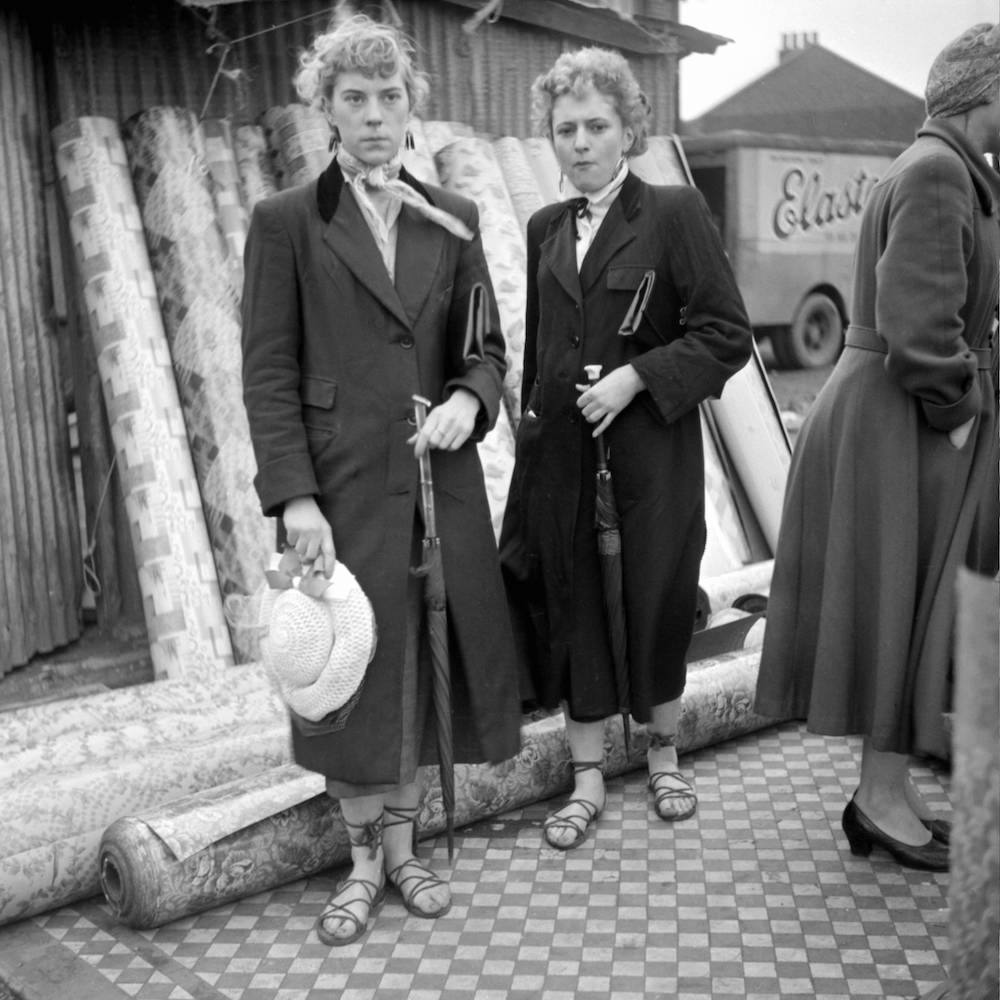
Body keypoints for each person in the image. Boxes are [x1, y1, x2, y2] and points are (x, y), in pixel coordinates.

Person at [240, 13, 522, 945]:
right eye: (352, 98)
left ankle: (403, 852)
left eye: (388, 97)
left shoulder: (455, 217)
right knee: (348, 671)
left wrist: (468, 402)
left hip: (437, 490)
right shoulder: (287, 221)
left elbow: (485, 351)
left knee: (418, 665)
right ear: (324, 109)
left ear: (411, 109)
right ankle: (362, 864)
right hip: (340, 493)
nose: (372, 115)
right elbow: (268, 372)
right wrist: (296, 500)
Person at [754, 23, 1000, 872]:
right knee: (901, 608)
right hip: (907, 423)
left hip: (896, 421)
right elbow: (922, 327)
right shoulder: (938, 172)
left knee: (903, 612)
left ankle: (885, 792)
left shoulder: (936, 163)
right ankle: (878, 799)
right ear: (983, 96)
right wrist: (963, 411)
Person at [499, 47, 753, 850]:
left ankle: (664, 755)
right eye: (565, 128)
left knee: (658, 595)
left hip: (650, 456)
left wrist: (639, 377)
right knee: (572, 605)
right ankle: (584, 778)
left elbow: (725, 335)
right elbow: (543, 351)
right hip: (565, 459)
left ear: (629, 129)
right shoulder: (546, 225)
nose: (579, 142)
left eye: (596, 126)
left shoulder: (673, 213)